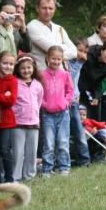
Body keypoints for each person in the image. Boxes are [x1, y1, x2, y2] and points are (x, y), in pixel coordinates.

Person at [39, 45, 74, 176]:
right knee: (48, 143)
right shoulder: (41, 75)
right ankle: (47, 169)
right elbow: (38, 93)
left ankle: (64, 167)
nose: (56, 62)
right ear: (47, 58)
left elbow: (70, 91)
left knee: (63, 142)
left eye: (59, 59)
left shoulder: (65, 74)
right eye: (53, 59)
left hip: (63, 114)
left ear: (62, 60)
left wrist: (66, 102)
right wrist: (44, 104)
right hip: (47, 114)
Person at [11, 55, 42, 182]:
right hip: (18, 123)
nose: (26, 70)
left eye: (29, 67)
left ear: (33, 68)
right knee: (18, 152)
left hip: (34, 123)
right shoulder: (15, 83)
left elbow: (39, 102)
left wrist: (34, 114)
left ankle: (29, 175)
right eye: (23, 68)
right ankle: (15, 176)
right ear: (18, 69)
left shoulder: (38, 85)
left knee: (31, 151)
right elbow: (12, 102)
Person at [27, 0, 77, 71]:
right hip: (41, 74)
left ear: (54, 10)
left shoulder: (59, 28)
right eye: (44, 8)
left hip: (60, 75)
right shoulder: (32, 26)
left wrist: (56, 55)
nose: (47, 11)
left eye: (50, 8)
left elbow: (74, 52)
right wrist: (65, 47)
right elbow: (51, 48)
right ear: (37, 8)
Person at [0, 51, 18, 183]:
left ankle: (9, 178)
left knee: (5, 149)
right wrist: (4, 96)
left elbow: (12, 100)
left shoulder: (13, 80)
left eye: (11, 64)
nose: (7, 66)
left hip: (7, 121)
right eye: (5, 63)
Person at [80, 39, 106, 121]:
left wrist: (97, 96)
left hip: (86, 91)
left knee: (92, 113)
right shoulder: (89, 53)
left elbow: (98, 82)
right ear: (102, 50)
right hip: (75, 86)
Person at [67, 38, 91, 167]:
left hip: (74, 98)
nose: (82, 54)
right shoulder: (67, 62)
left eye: (84, 51)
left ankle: (84, 159)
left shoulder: (79, 62)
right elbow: (69, 77)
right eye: (79, 50)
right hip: (65, 99)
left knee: (78, 129)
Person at [0, 0, 31, 64]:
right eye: (6, 13)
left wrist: (23, 28)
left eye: (12, 14)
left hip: (11, 70)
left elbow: (27, 49)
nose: (8, 16)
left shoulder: (15, 32)